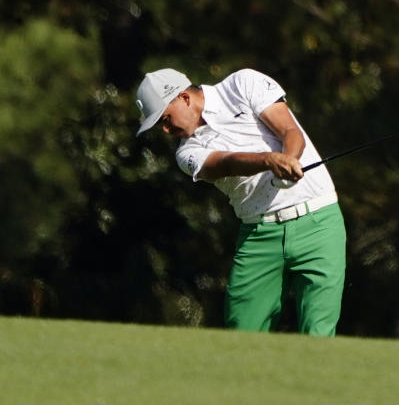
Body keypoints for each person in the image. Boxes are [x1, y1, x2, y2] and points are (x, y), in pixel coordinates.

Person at [134, 67, 346, 336]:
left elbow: (290, 131)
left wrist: (289, 159)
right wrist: (269, 161)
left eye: (165, 119)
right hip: (259, 236)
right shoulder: (187, 153)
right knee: (242, 335)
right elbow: (224, 163)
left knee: (318, 332)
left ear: (184, 98)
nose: (165, 130)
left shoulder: (242, 84)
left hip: (319, 222)